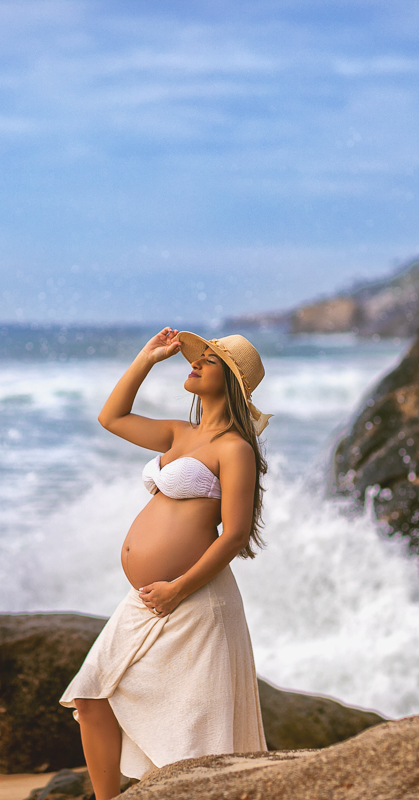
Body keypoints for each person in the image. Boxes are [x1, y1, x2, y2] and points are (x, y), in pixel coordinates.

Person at [60, 327, 273, 798]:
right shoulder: (178, 433)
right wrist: (146, 358)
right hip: (148, 600)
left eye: (209, 361)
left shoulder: (235, 448)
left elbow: (235, 534)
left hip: (194, 600)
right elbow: (111, 417)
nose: (194, 362)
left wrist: (178, 588)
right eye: (197, 357)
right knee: (91, 697)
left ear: (231, 383)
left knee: (192, 733)